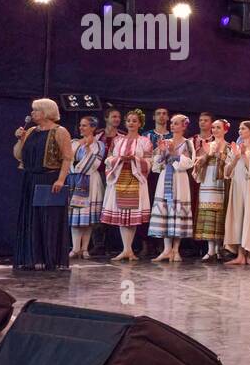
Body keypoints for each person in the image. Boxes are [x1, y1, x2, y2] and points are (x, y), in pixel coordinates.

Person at [12, 98, 73, 270]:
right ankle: (31, 257)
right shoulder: (30, 131)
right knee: (31, 218)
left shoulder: (60, 132)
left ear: (46, 112)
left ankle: (50, 258)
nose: (32, 113)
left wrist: (61, 179)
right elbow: (18, 155)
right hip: (30, 179)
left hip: (49, 179)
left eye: (36, 110)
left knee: (48, 219)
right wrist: (19, 139)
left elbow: (67, 158)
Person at [101, 108, 153, 262]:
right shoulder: (118, 140)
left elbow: (150, 162)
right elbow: (108, 159)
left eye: (134, 121)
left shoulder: (145, 141)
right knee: (123, 215)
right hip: (120, 177)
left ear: (139, 124)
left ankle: (128, 249)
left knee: (132, 214)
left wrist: (135, 160)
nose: (131, 123)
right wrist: (120, 159)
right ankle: (126, 249)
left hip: (135, 179)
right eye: (129, 121)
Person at [148, 114, 196, 263]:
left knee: (177, 210)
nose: (173, 126)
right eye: (172, 123)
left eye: (176, 124)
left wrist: (174, 154)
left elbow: (188, 163)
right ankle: (166, 249)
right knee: (166, 210)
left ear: (183, 126)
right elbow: (156, 163)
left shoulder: (187, 143)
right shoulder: (165, 141)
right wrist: (162, 153)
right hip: (165, 178)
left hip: (179, 179)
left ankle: (176, 250)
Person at [223, 121, 250, 266]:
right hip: (237, 186)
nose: (240, 130)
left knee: (248, 219)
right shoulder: (234, 149)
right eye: (239, 128)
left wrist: (244, 156)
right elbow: (227, 172)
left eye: (243, 128)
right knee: (238, 219)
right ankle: (240, 255)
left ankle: (246, 254)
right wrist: (236, 157)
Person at [67, 115, 105, 260]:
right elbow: (68, 160)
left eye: (85, 125)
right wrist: (73, 172)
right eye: (81, 125)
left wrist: (89, 148)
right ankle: (75, 247)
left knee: (87, 217)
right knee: (75, 216)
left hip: (89, 180)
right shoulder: (74, 143)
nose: (81, 128)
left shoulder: (99, 145)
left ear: (93, 127)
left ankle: (84, 248)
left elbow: (94, 164)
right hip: (74, 179)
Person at [192, 118, 231, 261]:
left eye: (218, 127)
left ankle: (219, 249)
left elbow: (229, 166)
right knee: (208, 213)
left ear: (225, 130)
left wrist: (216, 155)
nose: (214, 130)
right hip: (208, 182)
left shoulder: (228, 146)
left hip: (220, 184)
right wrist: (204, 158)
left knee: (219, 214)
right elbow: (197, 165)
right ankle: (210, 250)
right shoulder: (207, 145)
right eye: (213, 127)